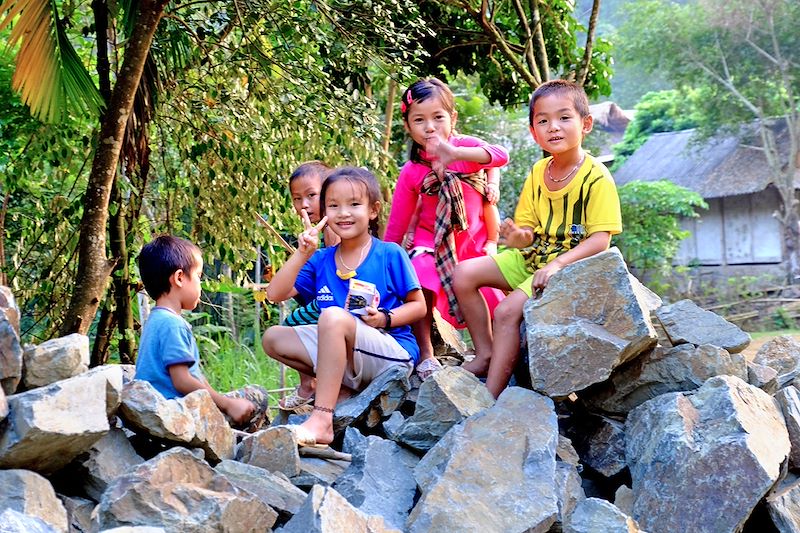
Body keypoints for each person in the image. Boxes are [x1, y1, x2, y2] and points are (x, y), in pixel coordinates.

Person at [453, 79, 623, 398]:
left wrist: (558, 265)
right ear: (533, 132)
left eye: (564, 118)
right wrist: (516, 237)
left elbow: (601, 239)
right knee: (463, 274)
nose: (553, 127)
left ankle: (490, 396)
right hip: (533, 260)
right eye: (542, 121)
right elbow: (527, 234)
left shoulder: (597, 176)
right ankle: (485, 353)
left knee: (505, 313)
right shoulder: (537, 172)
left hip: (568, 269)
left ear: (585, 124)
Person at [262, 166, 426, 446]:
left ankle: (322, 420)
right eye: (333, 205)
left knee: (333, 318)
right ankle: (343, 388)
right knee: (273, 337)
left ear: (373, 210)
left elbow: (418, 306)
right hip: (350, 356)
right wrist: (303, 253)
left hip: (390, 354)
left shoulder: (389, 253)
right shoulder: (321, 259)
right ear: (324, 212)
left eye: (354, 204)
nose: (343, 213)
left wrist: (385, 318)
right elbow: (275, 294)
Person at [384, 77, 509, 382]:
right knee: (418, 275)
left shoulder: (466, 149)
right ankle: (427, 354)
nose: (430, 127)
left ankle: (493, 354)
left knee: (495, 299)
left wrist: (458, 156)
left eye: (438, 117)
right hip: (433, 244)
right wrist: (383, 262)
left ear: (452, 119)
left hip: (474, 245)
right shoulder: (413, 171)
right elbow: (396, 227)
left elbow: (500, 156)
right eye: (419, 120)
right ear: (408, 127)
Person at [136, 235, 269, 432]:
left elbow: (194, 374)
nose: (200, 283)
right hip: (179, 415)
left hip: (159, 413)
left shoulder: (155, 321)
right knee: (256, 395)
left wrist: (218, 399)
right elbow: (182, 380)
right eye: (198, 276)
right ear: (179, 278)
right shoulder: (173, 325)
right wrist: (227, 404)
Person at [279, 161, 340, 413]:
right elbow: (290, 288)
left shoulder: (334, 226)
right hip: (326, 298)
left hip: (340, 299)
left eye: (311, 196)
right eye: (297, 198)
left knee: (292, 323)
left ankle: (309, 385)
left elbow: (338, 271)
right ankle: (310, 382)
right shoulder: (314, 232)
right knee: (296, 317)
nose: (303, 205)